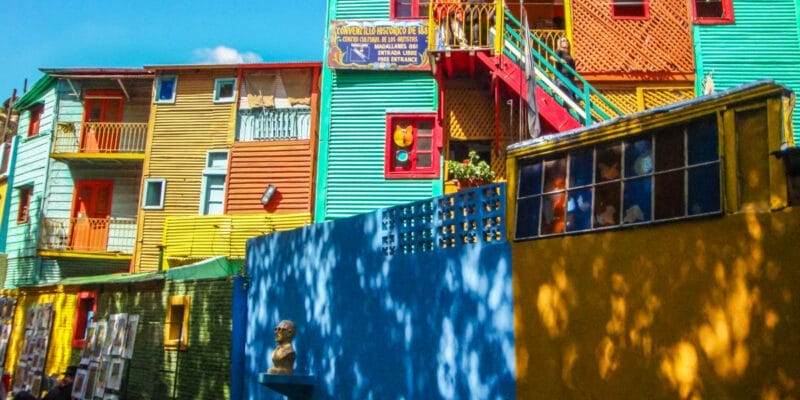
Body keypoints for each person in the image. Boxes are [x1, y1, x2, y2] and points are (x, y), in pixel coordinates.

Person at [549, 37, 579, 102]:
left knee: (578, 96)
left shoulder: (568, 54)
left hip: (570, 78)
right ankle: (567, 109)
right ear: (560, 43)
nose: (566, 42)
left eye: (567, 41)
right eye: (563, 41)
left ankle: (567, 108)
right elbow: (551, 57)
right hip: (563, 77)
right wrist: (559, 60)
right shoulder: (559, 51)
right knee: (569, 96)